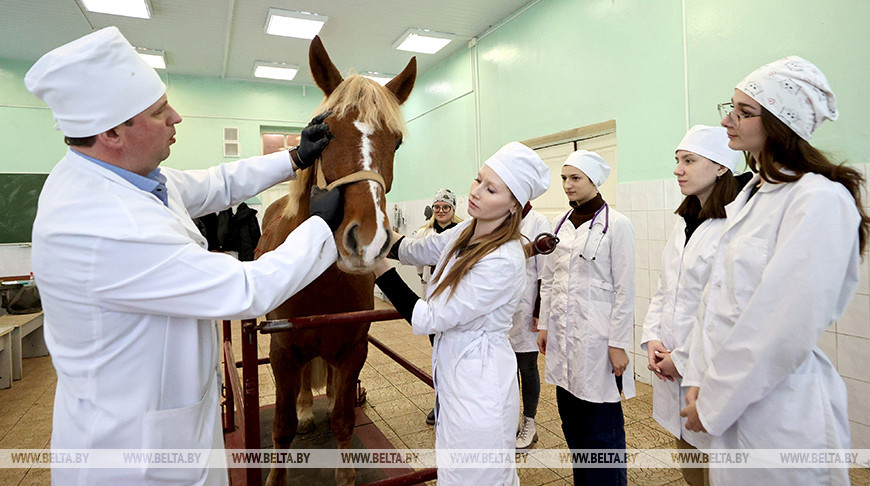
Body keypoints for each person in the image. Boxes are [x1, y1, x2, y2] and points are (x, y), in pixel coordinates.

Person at [25, 27, 343, 485]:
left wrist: (293, 157)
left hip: (167, 420)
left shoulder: (122, 175)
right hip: (135, 456)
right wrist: (321, 228)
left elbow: (215, 183)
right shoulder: (102, 227)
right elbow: (246, 289)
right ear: (112, 131)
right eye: (159, 112)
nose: (176, 117)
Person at [679, 56, 869, 486]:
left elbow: (781, 325)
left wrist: (713, 403)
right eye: (730, 107)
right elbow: (715, 303)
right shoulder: (754, 196)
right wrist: (697, 378)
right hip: (731, 399)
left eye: (744, 112)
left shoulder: (818, 199)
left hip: (781, 411)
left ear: (782, 124)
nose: (728, 120)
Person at [372, 142, 549, 486]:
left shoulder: (504, 258)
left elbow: (427, 317)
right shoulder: (467, 229)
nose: (476, 192)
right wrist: (371, 225)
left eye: (491, 188)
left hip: (480, 386)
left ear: (515, 205)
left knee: (478, 476)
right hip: (456, 377)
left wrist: (377, 267)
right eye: (478, 179)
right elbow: (413, 248)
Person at [640, 125, 741, 486]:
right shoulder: (685, 221)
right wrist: (653, 340)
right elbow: (665, 290)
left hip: (708, 370)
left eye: (689, 160)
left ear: (721, 167)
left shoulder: (735, 225)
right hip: (671, 362)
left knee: (717, 464)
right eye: (677, 160)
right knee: (688, 455)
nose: (677, 169)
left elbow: (724, 310)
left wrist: (683, 360)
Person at [537, 150, 635, 486]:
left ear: (594, 181)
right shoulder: (560, 225)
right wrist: (544, 325)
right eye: (564, 178)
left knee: (602, 430)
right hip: (564, 341)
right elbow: (548, 279)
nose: (567, 185)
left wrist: (618, 344)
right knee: (573, 425)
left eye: (575, 178)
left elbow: (625, 291)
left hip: (598, 344)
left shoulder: (617, 225)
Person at [413, 188, 463, 425]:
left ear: (453, 209)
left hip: (457, 300)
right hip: (433, 300)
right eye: (437, 207)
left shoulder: (463, 231)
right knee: (437, 355)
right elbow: (418, 264)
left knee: (457, 356)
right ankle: (440, 401)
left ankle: (458, 403)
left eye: (446, 207)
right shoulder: (424, 232)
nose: (441, 211)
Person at [510, 201, 550, 450]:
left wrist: (539, 310)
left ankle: (529, 422)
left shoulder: (538, 222)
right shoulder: (501, 219)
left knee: (527, 366)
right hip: (502, 310)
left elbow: (546, 272)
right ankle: (511, 419)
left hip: (527, 307)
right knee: (507, 368)